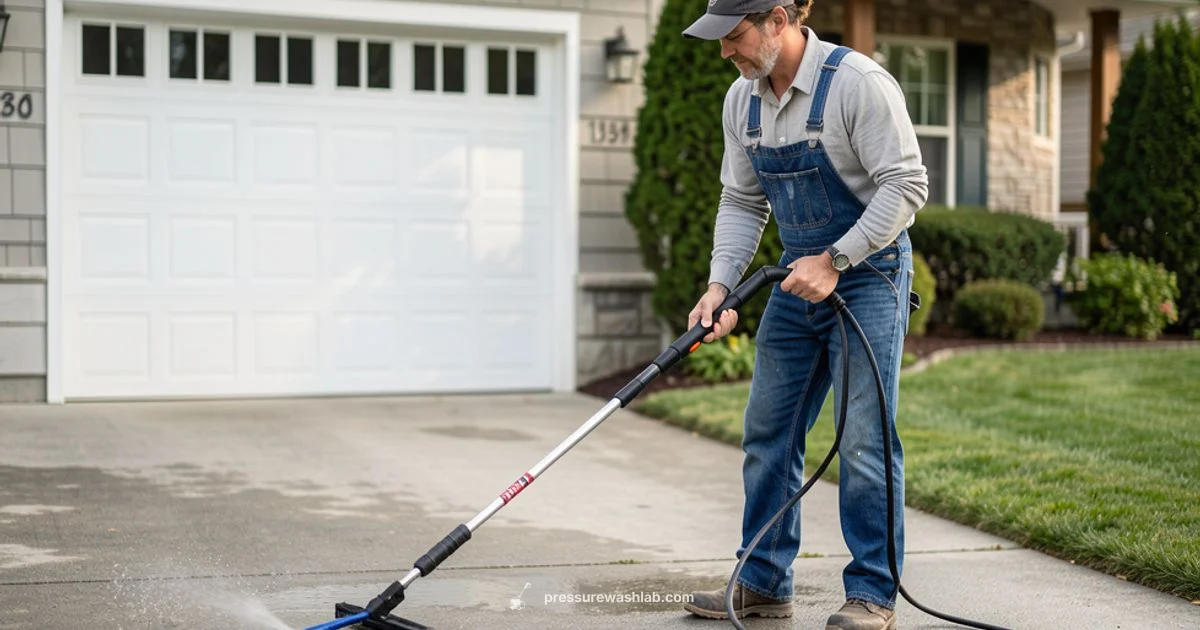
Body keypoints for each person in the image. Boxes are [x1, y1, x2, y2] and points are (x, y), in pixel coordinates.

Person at [678, 1, 929, 629]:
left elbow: (906, 186)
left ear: (779, 20)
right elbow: (741, 200)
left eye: (734, 37)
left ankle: (872, 593)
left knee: (865, 440)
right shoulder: (743, 100)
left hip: (869, 276)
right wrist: (719, 289)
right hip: (798, 279)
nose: (725, 53)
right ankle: (763, 581)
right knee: (768, 432)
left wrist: (837, 260)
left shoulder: (857, 84)